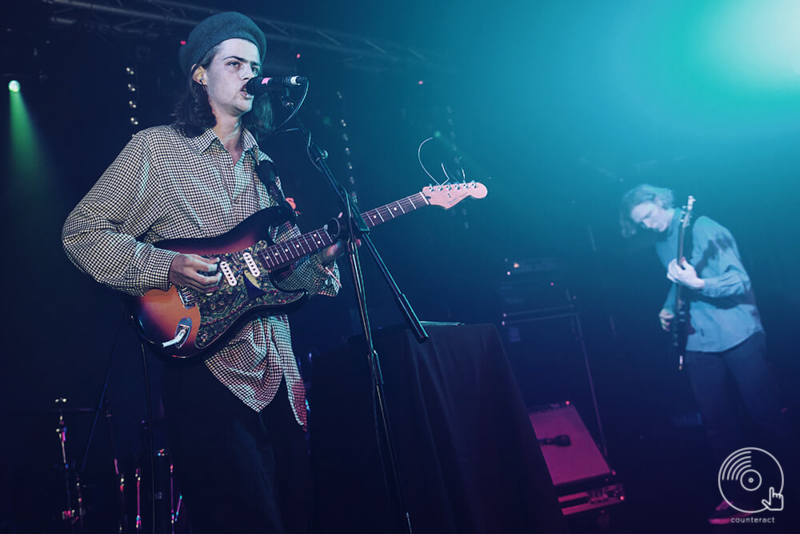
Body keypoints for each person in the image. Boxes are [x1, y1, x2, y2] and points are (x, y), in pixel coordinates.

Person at [62, 12, 345, 533]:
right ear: (200, 74)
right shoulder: (157, 150)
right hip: (209, 371)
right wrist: (164, 264)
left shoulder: (266, 165)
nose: (249, 75)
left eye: (255, 66)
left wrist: (316, 265)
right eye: (234, 63)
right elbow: (81, 231)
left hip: (282, 374)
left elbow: (278, 275)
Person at [620, 184, 794, 525]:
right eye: (640, 223)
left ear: (660, 201)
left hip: (738, 334)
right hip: (698, 342)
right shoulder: (661, 242)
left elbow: (739, 280)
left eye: (649, 216)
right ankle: (741, 496)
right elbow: (678, 281)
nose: (648, 225)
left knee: (766, 415)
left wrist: (701, 285)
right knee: (717, 424)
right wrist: (668, 307)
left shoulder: (702, 227)